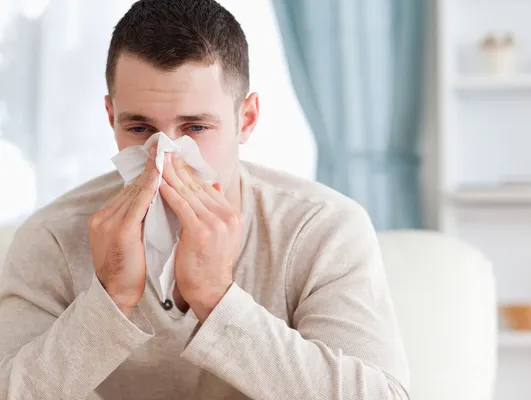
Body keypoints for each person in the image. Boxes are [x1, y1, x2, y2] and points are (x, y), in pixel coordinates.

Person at [0, 0, 410, 399]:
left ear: (245, 120)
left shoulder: (322, 228)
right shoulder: (53, 236)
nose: (164, 157)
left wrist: (216, 297)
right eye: (140, 129)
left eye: (195, 127)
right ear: (111, 118)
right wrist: (111, 299)